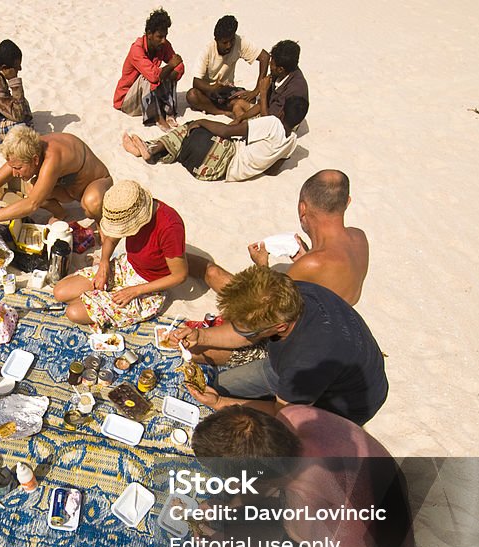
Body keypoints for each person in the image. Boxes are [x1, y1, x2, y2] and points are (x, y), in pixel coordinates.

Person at [191, 405, 412, 547]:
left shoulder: (336, 525)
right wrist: (230, 506)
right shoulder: (293, 417)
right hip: (378, 505)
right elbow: (266, 477)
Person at [173, 266, 388, 426]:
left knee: (281, 434)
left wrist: (220, 403)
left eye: (248, 331)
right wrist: (199, 336)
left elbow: (283, 413)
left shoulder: (304, 361)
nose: (240, 332)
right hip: (294, 367)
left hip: (347, 404)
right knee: (220, 383)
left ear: (280, 326)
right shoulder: (290, 293)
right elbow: (243, 334)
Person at [195, 170, 369, 305]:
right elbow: (329, 283)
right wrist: (306, 256)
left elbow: (269, 307)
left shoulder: (310, 265)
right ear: (347, 202)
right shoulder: (359, 238)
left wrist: (262, 265)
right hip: (338, 324)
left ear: (302, 208)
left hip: (303, 335)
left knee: (212, 273)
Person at [52, 181, 188, 329]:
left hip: (149, 286)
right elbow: (112, 236)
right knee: (60, 292)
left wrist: (135, 291)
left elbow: (179, 275)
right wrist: (104, 264)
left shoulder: (169, 227)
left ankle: (101, 302)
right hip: (127, 267)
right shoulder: (127, 207)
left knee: (73, 312)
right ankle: (98, 299)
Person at [121, 96, 308, 182]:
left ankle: (152, 148)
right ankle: (150, 149)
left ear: (281, 112)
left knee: (189, 128)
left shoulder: (272, 123)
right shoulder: (291, 143)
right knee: (185, 144)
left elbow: (229, 131)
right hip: (213, 173)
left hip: (225, 155)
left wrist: (202, 121)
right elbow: (273, 171)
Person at [0, 126, 113, 227]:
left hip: (96, 183)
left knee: (91, 204)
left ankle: (102, 228)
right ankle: (61, 214)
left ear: (35, 159)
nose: (14, 173)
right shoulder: (22, 152)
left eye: (18, 168)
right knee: (31, 187)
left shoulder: (52, 158)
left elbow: (32, 204)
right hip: (69, 187)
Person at [113, 8, 185, 130]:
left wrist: (171, 72)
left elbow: (180, 66)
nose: (163, 40)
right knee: (148, 76)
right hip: (127, 101)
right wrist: (171, 66)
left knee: (167, 72)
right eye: (159, 37)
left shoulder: (164, 45)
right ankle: (157, 117)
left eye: (165, 36)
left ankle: (169, 112)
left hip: (148, 96)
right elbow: (153, 75)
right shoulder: (137, 49)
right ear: (149, 34)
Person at [186, 15, 269, 118]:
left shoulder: (239, 42)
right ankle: (222, 112)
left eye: (231, 41)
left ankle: (211, 108)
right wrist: (212, 88)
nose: (229, 45)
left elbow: (264, 57)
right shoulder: (207, 50)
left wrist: (256, 90)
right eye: (224, 43)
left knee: (250, 99)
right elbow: (196, 82)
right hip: (209, 91)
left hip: (227, 91)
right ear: (216, 40)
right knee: (192, 95)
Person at [229, 41, 309, 128]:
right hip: (269, 113)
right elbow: (262, 104)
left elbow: (268, 124)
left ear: (280, 69)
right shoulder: (281, 73)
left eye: (272, 64)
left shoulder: (294, 89)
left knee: (246, 126)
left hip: (279, 126)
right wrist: (240, 118)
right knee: (238, 105)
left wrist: (263, 92)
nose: (270, 66)